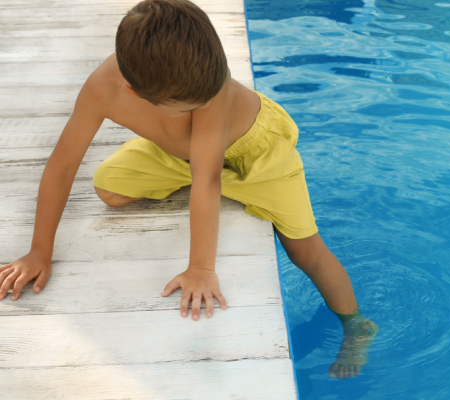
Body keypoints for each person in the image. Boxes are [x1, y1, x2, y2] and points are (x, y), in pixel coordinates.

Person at [0, 0, 378, 379]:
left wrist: (200, 268)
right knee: (109, 189)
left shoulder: (209, 86)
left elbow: (208, 180)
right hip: (181, 157)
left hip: (258, 155)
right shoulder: (102, 88)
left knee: (305, 249)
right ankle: (203, 177)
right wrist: (39, 251)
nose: (205, 102)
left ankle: (358, 326)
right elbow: (64, 163)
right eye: (188, 106)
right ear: (134, 92)